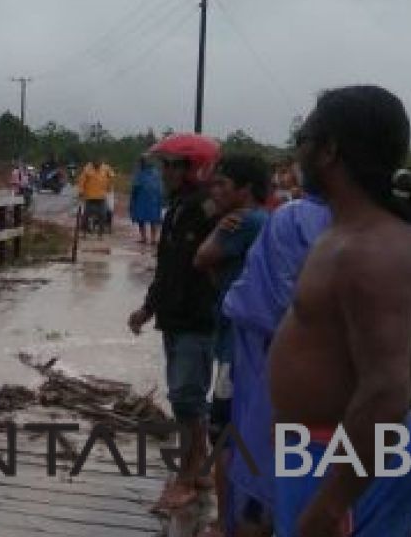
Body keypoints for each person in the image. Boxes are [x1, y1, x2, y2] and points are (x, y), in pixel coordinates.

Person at [269, 85, 411, 537]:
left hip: (344, 461)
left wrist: (330, 505)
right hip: (333, 452)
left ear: (330, 149)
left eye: (304, 137)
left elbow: (386, 390)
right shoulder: (359, 232)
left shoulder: (369, 251)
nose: (297, 151)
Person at [221, 189, 331, 537]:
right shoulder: (398, 235)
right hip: (351, 407)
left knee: (261, 487)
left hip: (274, 373)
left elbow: (268, 303)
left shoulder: (291, 219)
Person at [126, 133, 221, 511]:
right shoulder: (179, 208)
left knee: (186, 397)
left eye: (170, 165)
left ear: (191, 169)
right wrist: (148, 308)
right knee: (186, 398)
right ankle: (200, 470)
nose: (163, 172)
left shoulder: (210, 210)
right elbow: (168, 268)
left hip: (199, 319)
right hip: (175, 318)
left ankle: (188, 476)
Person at [193, 154, 271, 537]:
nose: (215, 190)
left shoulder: (245, 222)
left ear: (246, 189)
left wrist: (216, 227)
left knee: (222, 435)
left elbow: (202, 258)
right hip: (256, 346)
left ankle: (226, 524)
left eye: (223, 184)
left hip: (234, 346)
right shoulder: (269, 223)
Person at [129, 156, 165, 246]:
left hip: (143, 199)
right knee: (153, 219)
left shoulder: (140, 174)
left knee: (143, 218)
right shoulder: (156, 173)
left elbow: (135, 187)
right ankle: (152, 238)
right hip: (153, 199)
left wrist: (133, 198)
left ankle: (145, 237)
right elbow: (160, 187)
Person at [76, 158, 112, 236]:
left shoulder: (106, 168)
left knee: (103, 214)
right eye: (95, 163)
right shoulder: (87, 169)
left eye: (99, 163)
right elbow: (82, 181)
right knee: (86, 214)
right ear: (92, 163)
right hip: (90, 196)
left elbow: (110, 177)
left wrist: (109, 186)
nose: (97, 164)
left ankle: (100, 232)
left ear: (101, 163)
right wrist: (81, 191)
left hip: (101, 196)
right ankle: (84, 231)